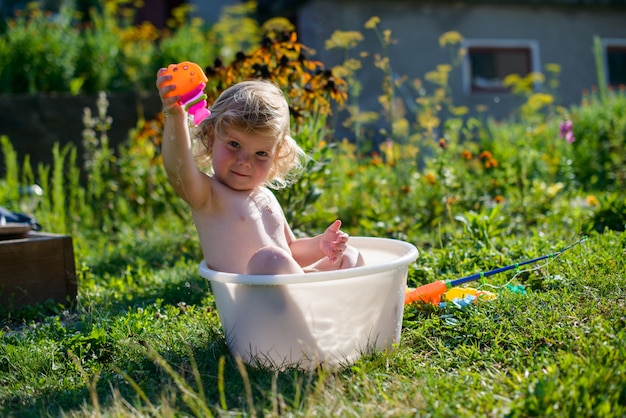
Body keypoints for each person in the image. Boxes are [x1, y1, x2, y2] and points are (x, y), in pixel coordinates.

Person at [156, 71, 364, 274]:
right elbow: (178, 169)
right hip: (252, 300)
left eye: (261, 153)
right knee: (268, 260)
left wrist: (321, 245)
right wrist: (175, 115)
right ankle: (317, 297)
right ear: (211, 137)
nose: (245, 162)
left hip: (288, 288)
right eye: (234, 144)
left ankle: (346, 300)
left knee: (351, 256)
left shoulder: (266, 197)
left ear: (277, 154)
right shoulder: (208, 196)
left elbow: (290, 249)